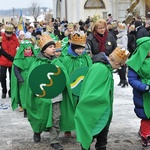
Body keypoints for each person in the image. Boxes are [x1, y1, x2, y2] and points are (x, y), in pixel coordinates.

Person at [74, 47, 129, 150]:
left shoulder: (104, 68)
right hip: (95, 108)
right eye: (120, 66)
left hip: (102, 107)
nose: (119, 68)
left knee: (102, 136)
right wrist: (102, 101)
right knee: (92, 130)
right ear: (117, 62)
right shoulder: (100, 68)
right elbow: (91, 90)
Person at [25, 34, 71, 150]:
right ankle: (37, 131)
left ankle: (54, 140)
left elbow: (64, 75)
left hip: (55, 95)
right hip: (42, 97)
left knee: (56, 117)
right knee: (41, 117)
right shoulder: (37, 63)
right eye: (50, 47)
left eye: (54, 46)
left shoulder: (57, 62)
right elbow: (33, 79)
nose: (53, 48)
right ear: (44, 49)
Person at [60, 31, 92, 137]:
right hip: (71, 87)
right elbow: (64, 73)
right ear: (73, 48)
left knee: (82, 106)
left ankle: (81, 127)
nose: (80, 51)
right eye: (78, 48)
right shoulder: (67, 59)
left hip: (83, 87)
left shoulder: (86, 58)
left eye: (82, 48)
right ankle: (68, 128)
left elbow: (90, 70)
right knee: (69, 107)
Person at [127, 37, 150, 150]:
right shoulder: (135, 63)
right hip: (143, 94)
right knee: (146, 116)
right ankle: (146, 136)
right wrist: (144, 87)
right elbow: (132, 79)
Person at [11, 40, 37, 117]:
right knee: (24, 94)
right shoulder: (19, 59)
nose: (28, 51)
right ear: (23, 50)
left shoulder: (34, 58)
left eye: (29, 49)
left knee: (32, 93)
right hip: (24, 79)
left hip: (32, 77)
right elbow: (16, 69)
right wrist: (19, 78)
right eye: (26, 49)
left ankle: (32, 108)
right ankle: (25, 108)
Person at [0, 24, 19, 98]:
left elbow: (18, 48)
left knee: (12, 78)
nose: (8, 35)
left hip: (12, 61)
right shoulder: (1, 39)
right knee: (2, 76)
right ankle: (4, 91)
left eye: (10, 33)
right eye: (7, 33)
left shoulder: (15, 39)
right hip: (3, 61)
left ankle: (11, 91)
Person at [116, 22, 128, 87]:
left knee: (123, 67)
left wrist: (117, 45)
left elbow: (125, 46)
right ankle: (121, 80)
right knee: (119, 67)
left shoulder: (124, 36)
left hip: (123, 53)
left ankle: (124, 80)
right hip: (119, 52)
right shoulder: (120, 36)